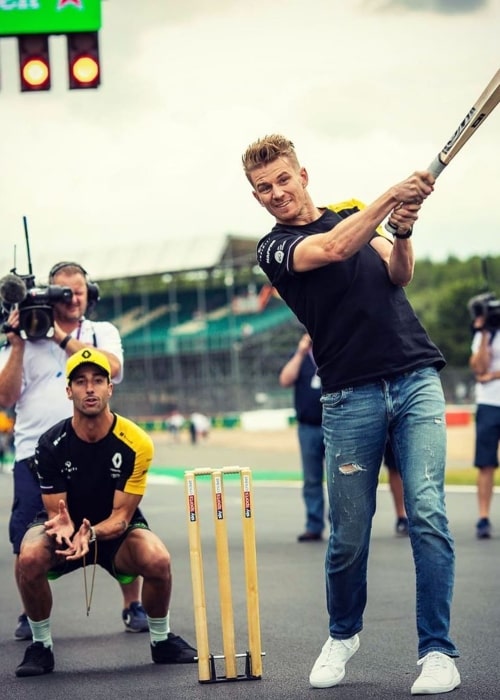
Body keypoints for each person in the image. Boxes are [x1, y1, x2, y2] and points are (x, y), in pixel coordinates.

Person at [242, 135, 459, 695]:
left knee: (428, 511)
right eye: (263, 189)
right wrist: (392, 196)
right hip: (347, 395)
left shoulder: (351, 215)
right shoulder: (274, 249)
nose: (275, 194)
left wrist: (404, 230)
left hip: (414, 376)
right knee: (348, 537)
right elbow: (335, 249)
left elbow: (399, 273)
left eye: (283, 180)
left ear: (303, 174)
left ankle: (437, 651)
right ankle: (342, 635)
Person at [14, 347, 196, 677]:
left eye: (98, 380)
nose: (90, 388)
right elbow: (57, 513)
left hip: (114, 530)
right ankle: (41, 646)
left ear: (110, 388)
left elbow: (123, 517)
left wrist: (93, 533)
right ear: (68, 390)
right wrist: (66, 528)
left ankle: (161, 640)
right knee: (27, 557)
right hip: (66, 530)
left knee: (158, 559)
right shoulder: (49, 444)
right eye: (81, 382)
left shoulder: (136, 442)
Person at [0, 262, 147, 641]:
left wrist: (58, 336)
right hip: (35, 453)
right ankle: (28, 612)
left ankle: (133, 604)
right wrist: (18, 343)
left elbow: (112, 369)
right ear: (49, 295)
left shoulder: (101, 332)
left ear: (89, 292)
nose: (74, 297)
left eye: (79, 290)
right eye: (64, 291)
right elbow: (4, 398)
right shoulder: (24, 339)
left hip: (96, 450)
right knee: (26, 537)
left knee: (120, 527)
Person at [280, 333, 408, 540]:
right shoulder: (300, 356)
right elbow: (285, 379)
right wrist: (300, 352)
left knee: (339, 476)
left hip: (337, 423)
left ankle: (339, 523)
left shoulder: (335, 350)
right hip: (309, 426)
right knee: (312, 478)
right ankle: (313, 524)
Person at [469, 312, 500, 539]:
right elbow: (479, 369)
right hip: (488, 404)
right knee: (485, 463)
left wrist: (494, 375)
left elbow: (487, 374)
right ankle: (483, 517)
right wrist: (485, 333)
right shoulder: (484, 336)